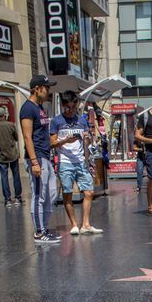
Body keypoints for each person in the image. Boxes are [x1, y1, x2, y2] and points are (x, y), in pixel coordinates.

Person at [50, 90, 103, 236]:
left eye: (74, 107)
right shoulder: (56, 121)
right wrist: (65, 140)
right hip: (65, 162)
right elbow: (52, 143)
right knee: (67, 194)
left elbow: (88, 140)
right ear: (63, 106)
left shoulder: (81, 120)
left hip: (81, 161)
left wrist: (87, 138)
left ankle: (86, 223)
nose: (71, 111)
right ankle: (74, 224)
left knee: (89, 192)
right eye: (68, 108)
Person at [19, 75, 61, 243]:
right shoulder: (28, 108)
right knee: (39, 195)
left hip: (46, 156)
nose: (49, 90)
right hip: (36, 157)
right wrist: (34, 162)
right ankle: (39, 232)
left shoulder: (40, 108)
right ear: (37, 89)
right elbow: (27, 137)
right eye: (46, 87)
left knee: (51, 194)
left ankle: (44, 228)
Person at [0, 107, 22, 207]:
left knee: (4, 177)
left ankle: (7, 199)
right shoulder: (11, 124)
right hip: (12, 153)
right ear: (4, 115)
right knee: (16, 176)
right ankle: (18, 197)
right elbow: (16, 138)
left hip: (2, 155)